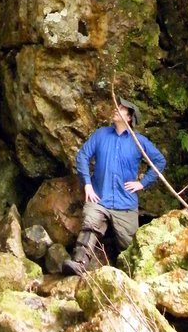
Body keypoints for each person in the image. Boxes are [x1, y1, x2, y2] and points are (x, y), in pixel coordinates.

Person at [62, 97, 166, 276]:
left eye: (121, 108)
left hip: (125, 203)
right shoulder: (101, 134)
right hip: (99, 197)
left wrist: (142, 183)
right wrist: (87, 184)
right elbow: (82, 156)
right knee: (90, 222)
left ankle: (133, 276)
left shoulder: (139, 141)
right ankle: (79, 263)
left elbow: (159, 161)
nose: (116, 109)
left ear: (129, 118)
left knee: (130, 246)